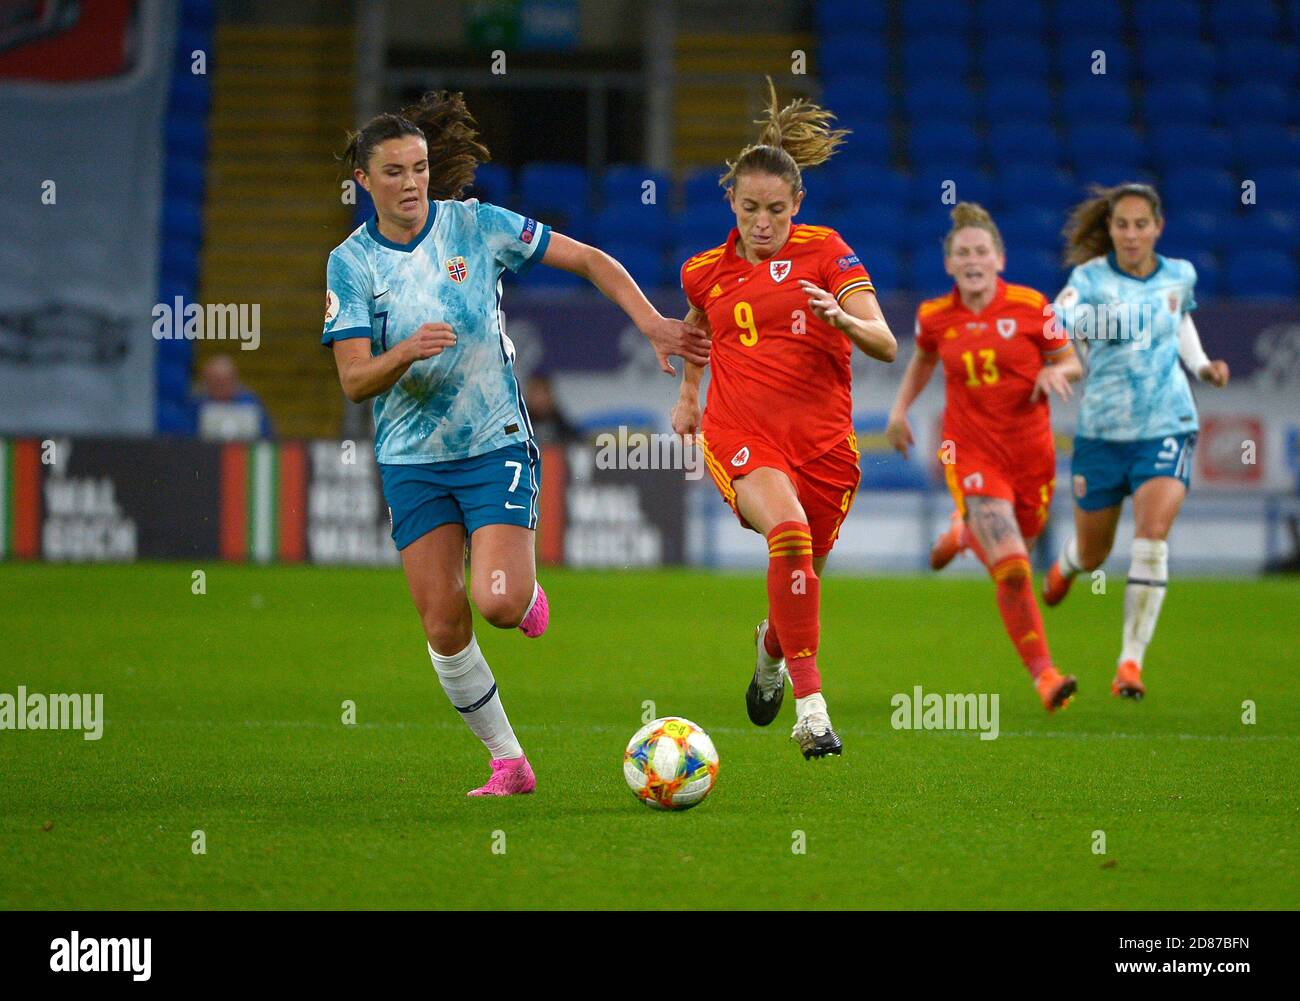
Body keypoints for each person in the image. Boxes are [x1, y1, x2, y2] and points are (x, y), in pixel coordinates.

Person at [323, 91, 709, 795]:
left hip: (493, 438)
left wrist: (654, 322)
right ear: (363, 182)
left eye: (418, 168)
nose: (410, 183)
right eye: (393, 172)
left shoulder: (475, 226)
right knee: (443, 619)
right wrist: (404, 351)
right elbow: (353, 380)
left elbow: (589, 258)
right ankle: (509, 760)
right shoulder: (350, 264)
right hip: (411, 458)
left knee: (497, 603)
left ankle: (524, 594)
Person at [671, 78, 897, 759]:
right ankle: (812, 710)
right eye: (749, 209)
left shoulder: (828, 252)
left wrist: (843, 319)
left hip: (825, 447)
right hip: (742, 436)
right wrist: (689, 395)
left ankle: (770, 656)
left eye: (775, 209)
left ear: (796, 204)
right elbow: (696, 327)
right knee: (790, 532)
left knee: (799, 582)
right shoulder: (704, 272)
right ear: (731, 203)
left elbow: (886, 341)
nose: (761, 223)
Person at [886, 203, 1083, 712]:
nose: (972, 259)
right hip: (971, 453)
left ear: (999, 258)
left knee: (1022, 542)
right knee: (1015, 568)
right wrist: (899, 410)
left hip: (1032, 456)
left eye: (981, 251)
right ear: (949, 264)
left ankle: (963, 533)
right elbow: (924, 359)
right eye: (962, 253)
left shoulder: (1030, 305)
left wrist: (1052, 373)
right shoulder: (935, 316)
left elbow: (1069, 360)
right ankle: (1045, 676)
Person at [1043, 183, 1230, 699]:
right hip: (1102, 433)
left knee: (1151, 537)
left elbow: (1180, 319)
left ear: (1157, 227)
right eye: (1121, 224)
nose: (1130, 234)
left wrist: (1201, 367)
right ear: (1109, 229)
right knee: (1096, 550)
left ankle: (1129, 663)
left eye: (1140, 224)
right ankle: (1071, 563)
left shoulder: (1179, 275)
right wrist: (1062, 356)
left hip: (1166, 424)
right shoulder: (1090, 280)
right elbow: (1052, 320)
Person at [194, 354, 273, 440]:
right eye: (215, 382)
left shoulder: (251, 403)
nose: (220, 387)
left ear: (234, 380)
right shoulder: (196, 404)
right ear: (206, 382)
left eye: (224, 382)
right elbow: (187, 437)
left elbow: (267, 435)